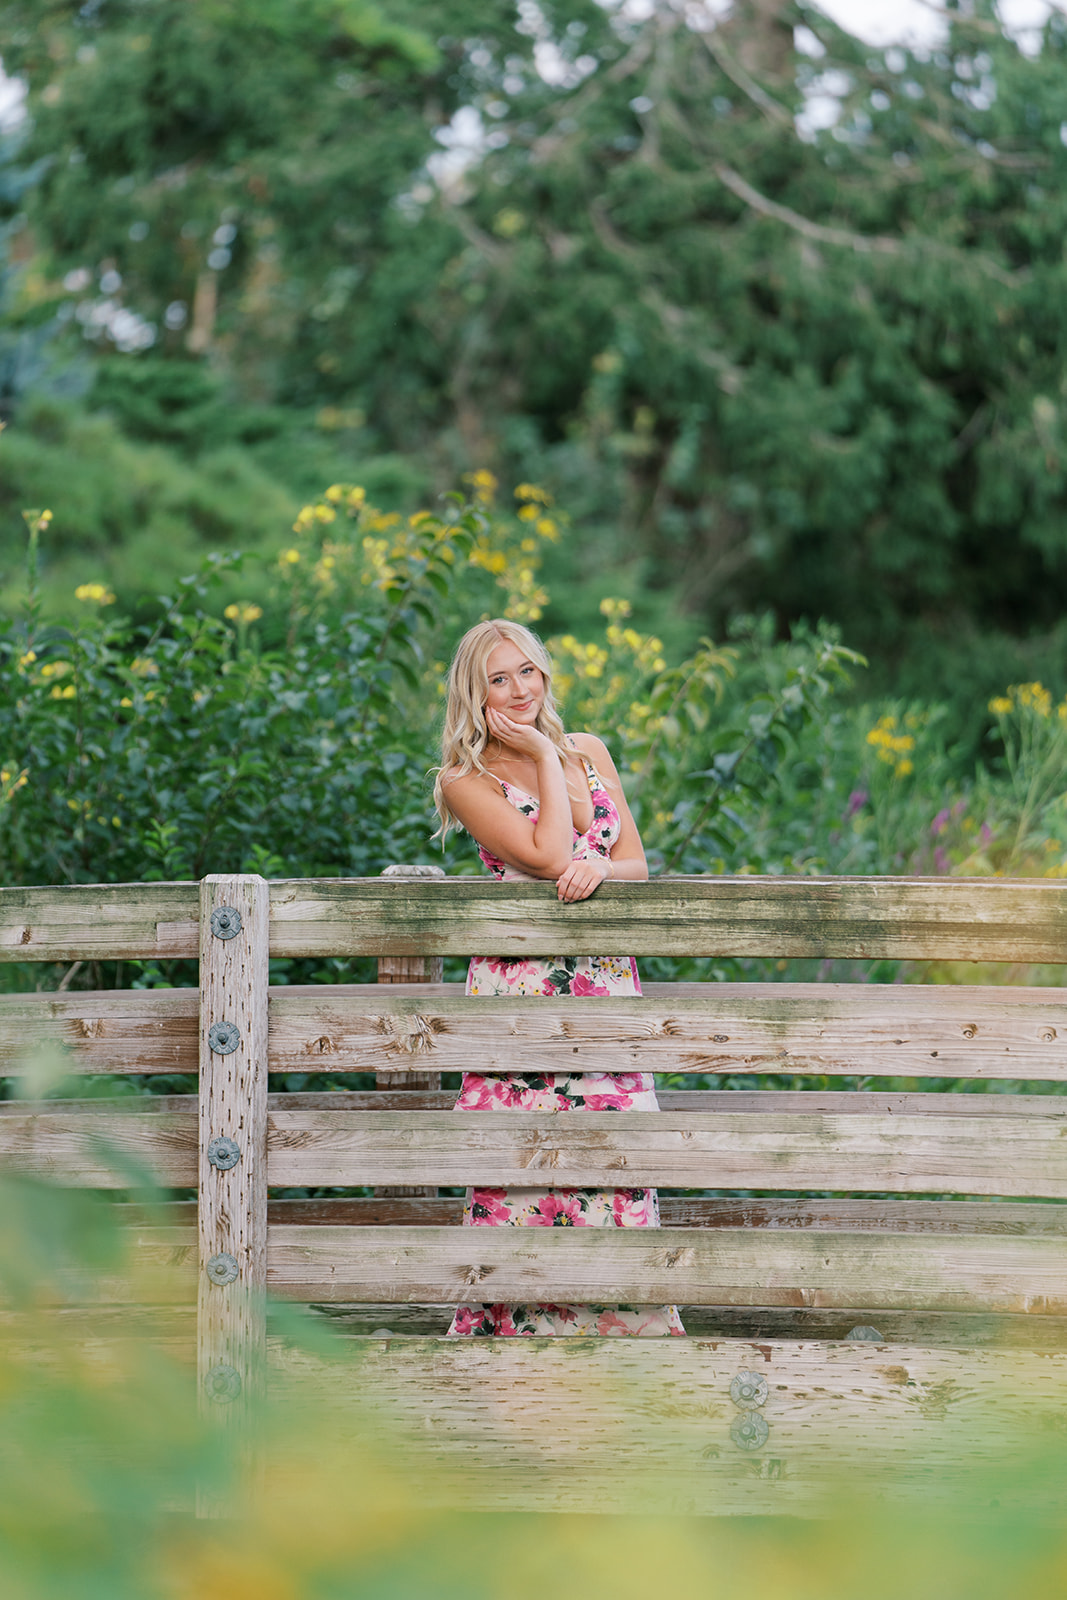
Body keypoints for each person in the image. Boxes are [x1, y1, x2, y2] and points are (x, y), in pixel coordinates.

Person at [433, 618, 685, 1337]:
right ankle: (505, 1353)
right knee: (521, 1171)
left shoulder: (591, 752)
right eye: (498, 679)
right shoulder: (465, 780)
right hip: (521, 998)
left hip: (605, 990)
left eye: (528, 673)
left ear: (545, 675)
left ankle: (628, 1346)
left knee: (616, 1165)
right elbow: (546, 855)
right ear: (472, 693)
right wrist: (542, 751)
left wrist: (602, 866)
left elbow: (635, 863)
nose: (518, 690)